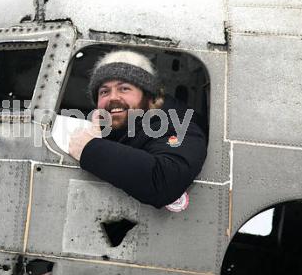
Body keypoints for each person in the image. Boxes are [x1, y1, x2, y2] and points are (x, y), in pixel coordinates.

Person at [68, 50, 207, 209]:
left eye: (124, 88)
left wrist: (90, 149)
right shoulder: (105, 131)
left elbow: (164, 180)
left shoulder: (178, 125)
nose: (113, 97)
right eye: (104, 91)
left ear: (149, 96)